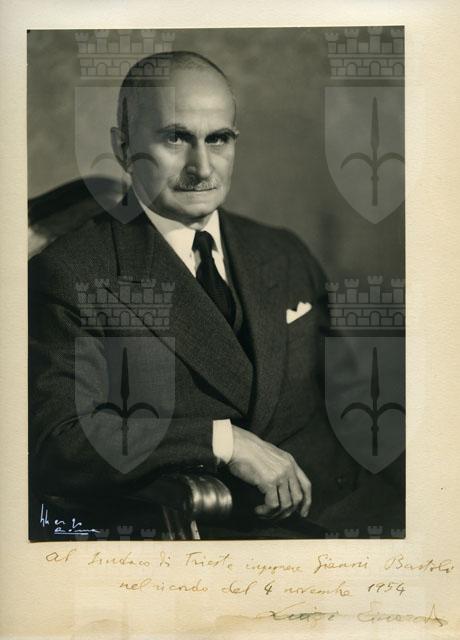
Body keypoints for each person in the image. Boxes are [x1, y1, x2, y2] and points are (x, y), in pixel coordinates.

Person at [29, 51, 403, 539]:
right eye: (175, 137)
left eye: (218, 139)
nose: (201, 167)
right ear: (123, 148)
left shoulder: (281, 250)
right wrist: (223, 442)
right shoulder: (71, 273)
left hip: (366, 512)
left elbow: (354, 397)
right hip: (236, 541)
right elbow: (61, 443)